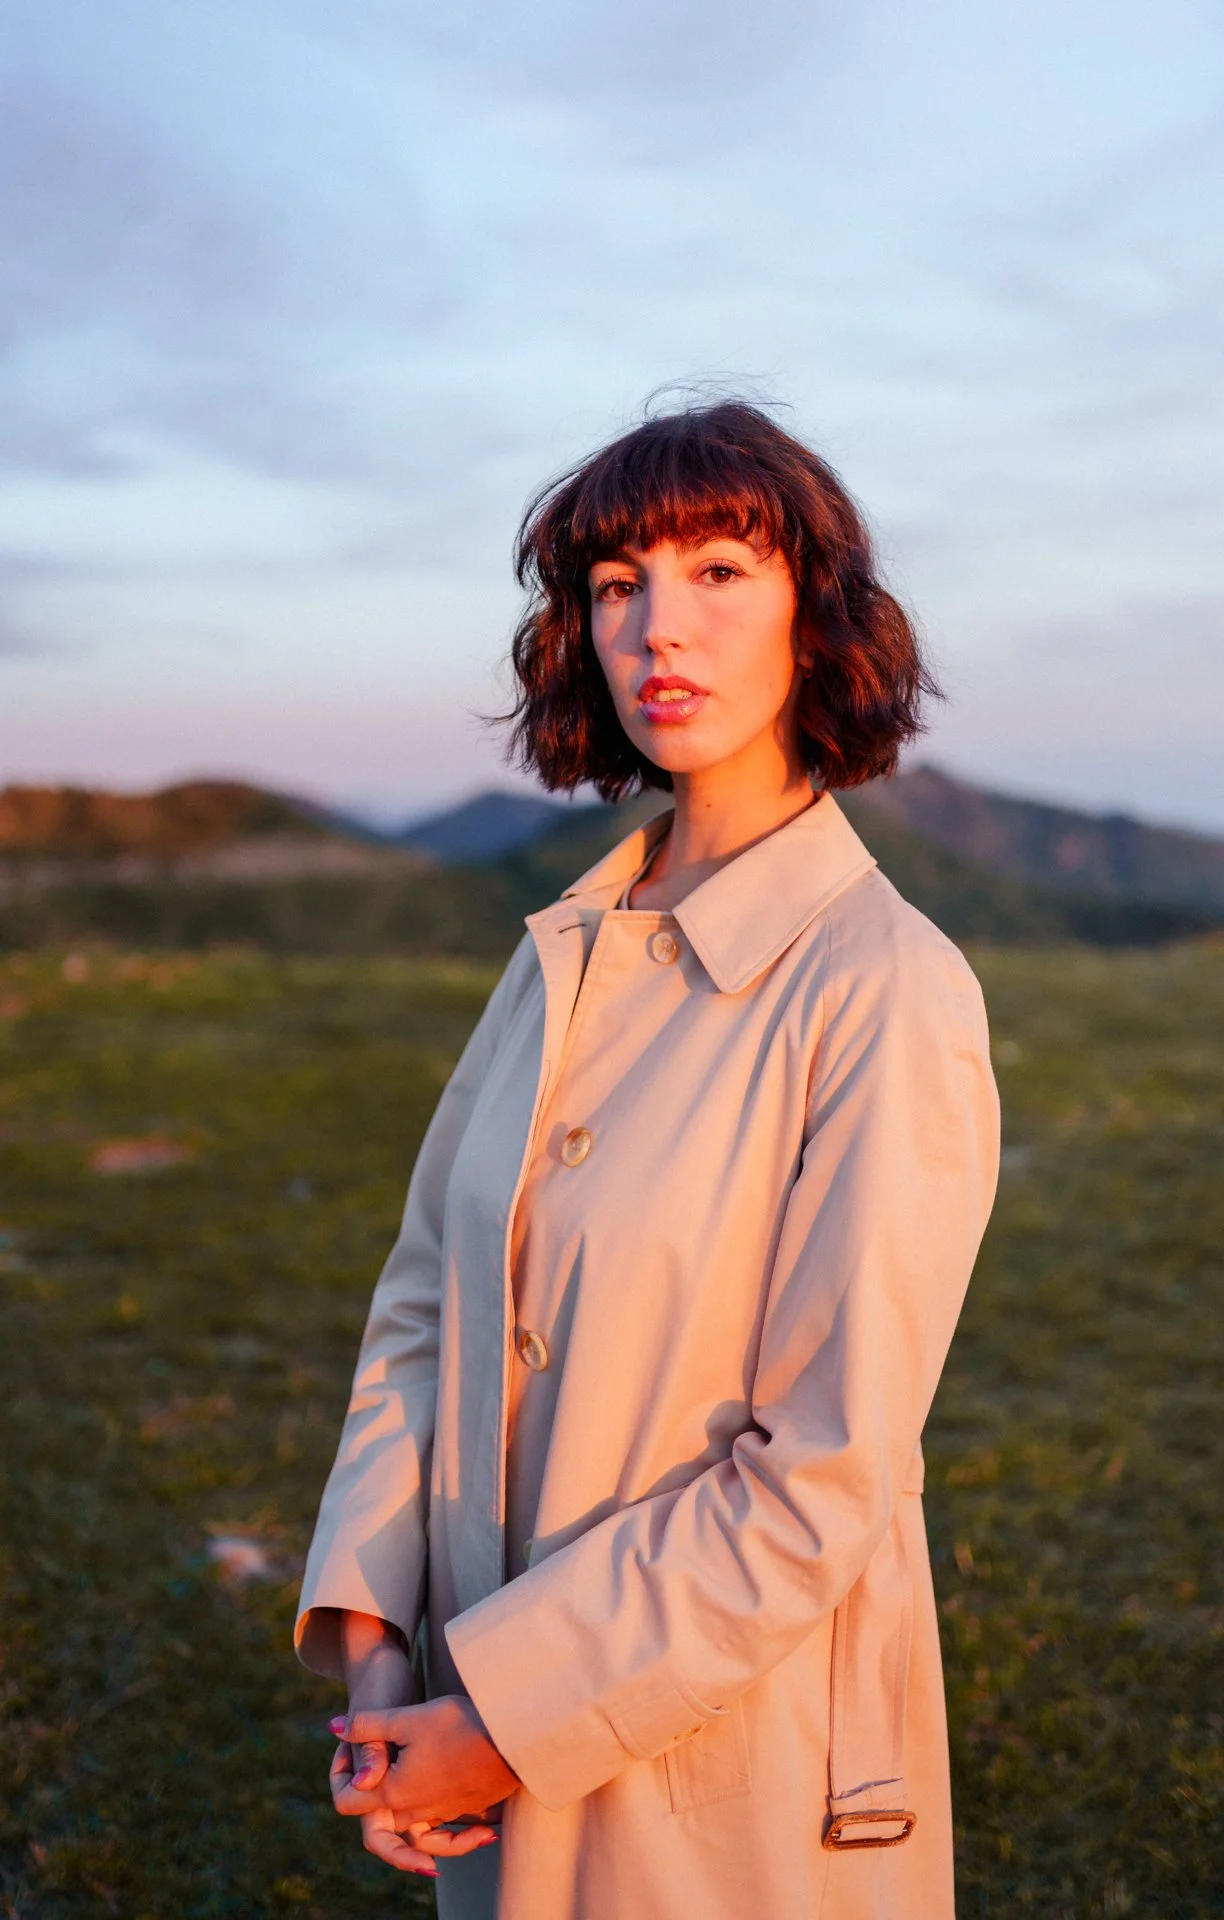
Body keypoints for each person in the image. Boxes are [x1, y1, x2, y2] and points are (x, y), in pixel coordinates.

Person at [295, 399, 1000, 1920]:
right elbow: (421, 1306)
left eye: (717, 571)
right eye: (617, 586)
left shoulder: (886, 984)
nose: (655, 627)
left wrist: (491, 1724)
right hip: (468, 1729)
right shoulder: (559, 953)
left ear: (818, 616)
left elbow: (823, 1478)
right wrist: (377, 1656)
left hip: (727, 1786)